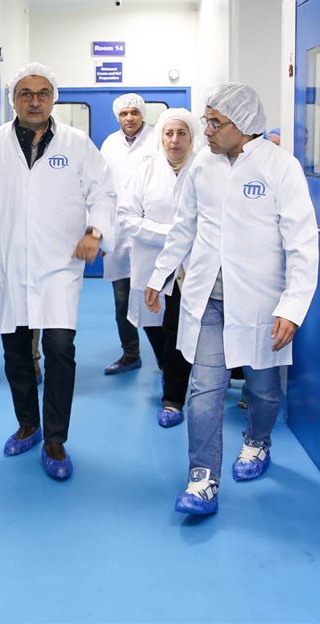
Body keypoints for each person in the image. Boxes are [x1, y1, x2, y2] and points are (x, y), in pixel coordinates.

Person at [145, 83, 318, 515]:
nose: (205, 130)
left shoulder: (280, 167)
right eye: (206, 120)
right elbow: (185, 226)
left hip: (261, 302)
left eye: (214, 122)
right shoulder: (203, 165)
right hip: (207, 297)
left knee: (263, 389)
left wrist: (292, 307)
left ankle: (258, 440)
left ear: (242, 125)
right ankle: (202, 479)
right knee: (204, 389)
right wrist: (160, 274)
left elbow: (301, 243)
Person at [0, 62, 115, 480]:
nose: (35, 101)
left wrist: (95, 231)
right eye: (26, 93)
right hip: (8, 263)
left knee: (59, 348)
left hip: (59, 267)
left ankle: (55, 439)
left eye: (43, 93)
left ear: (53, 98)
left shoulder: (76, 144)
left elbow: (104, 190)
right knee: (16, 351)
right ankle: (28, 424)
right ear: (13, 100)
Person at [116, 108, 200, 427]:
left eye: (182, 133)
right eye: (169, 133)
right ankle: (170, 369)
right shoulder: (145, 170)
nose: (175, 140)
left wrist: (183, 237)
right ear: (161, 137)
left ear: (191, 137)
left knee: (177, 328)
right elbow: (126, 217)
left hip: (190, 265)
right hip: (150, 262)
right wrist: (169, 234)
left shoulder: (203, 169)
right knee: (152, 324)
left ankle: (172, 399)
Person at [99, 92, 158, 375]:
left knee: (157, 299)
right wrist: (101, 233)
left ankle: (168, 360)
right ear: (118, 117)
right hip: (119, 232)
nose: (129, 118)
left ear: (142, 114)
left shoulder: (158, 138)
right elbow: (101, 187)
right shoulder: (110, 144)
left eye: (134, 112)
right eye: (124, 114)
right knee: (122, 299)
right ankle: (131, 353)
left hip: (151, 230)